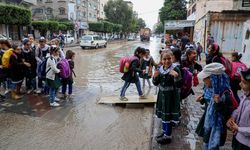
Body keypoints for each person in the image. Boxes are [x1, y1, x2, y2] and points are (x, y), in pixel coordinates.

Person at [197, 63, 234, 150]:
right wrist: (202, 99)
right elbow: (208, 101)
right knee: (206, 143)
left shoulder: (225, 95)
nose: (203, 81)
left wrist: (219, 104)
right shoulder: (210, 90)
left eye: (205, 78)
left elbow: (227, 113)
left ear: (213, 79)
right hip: (208, 123)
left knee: (213, 145)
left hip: (217, 127)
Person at [153, 50, 182, 144]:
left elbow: (179, 85)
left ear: (172, 58)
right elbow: (156, 83)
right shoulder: (160, 69)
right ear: (161, 60)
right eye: (164, 59)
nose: (167, 61)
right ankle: (165, 132)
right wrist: (155, 77)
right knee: (163, 116)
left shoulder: (175, 69)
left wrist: (176, 77)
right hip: (162, 96)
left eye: (169, 58)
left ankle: (168, 136)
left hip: (171, 98)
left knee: (168, 117)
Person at [227, 68, 250, 150]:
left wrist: (239, 129)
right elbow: (239, 109)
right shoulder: (245, 96)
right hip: (237, 138)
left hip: (246, 144)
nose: (240, 84)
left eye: (244, 82)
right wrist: (233, 117)